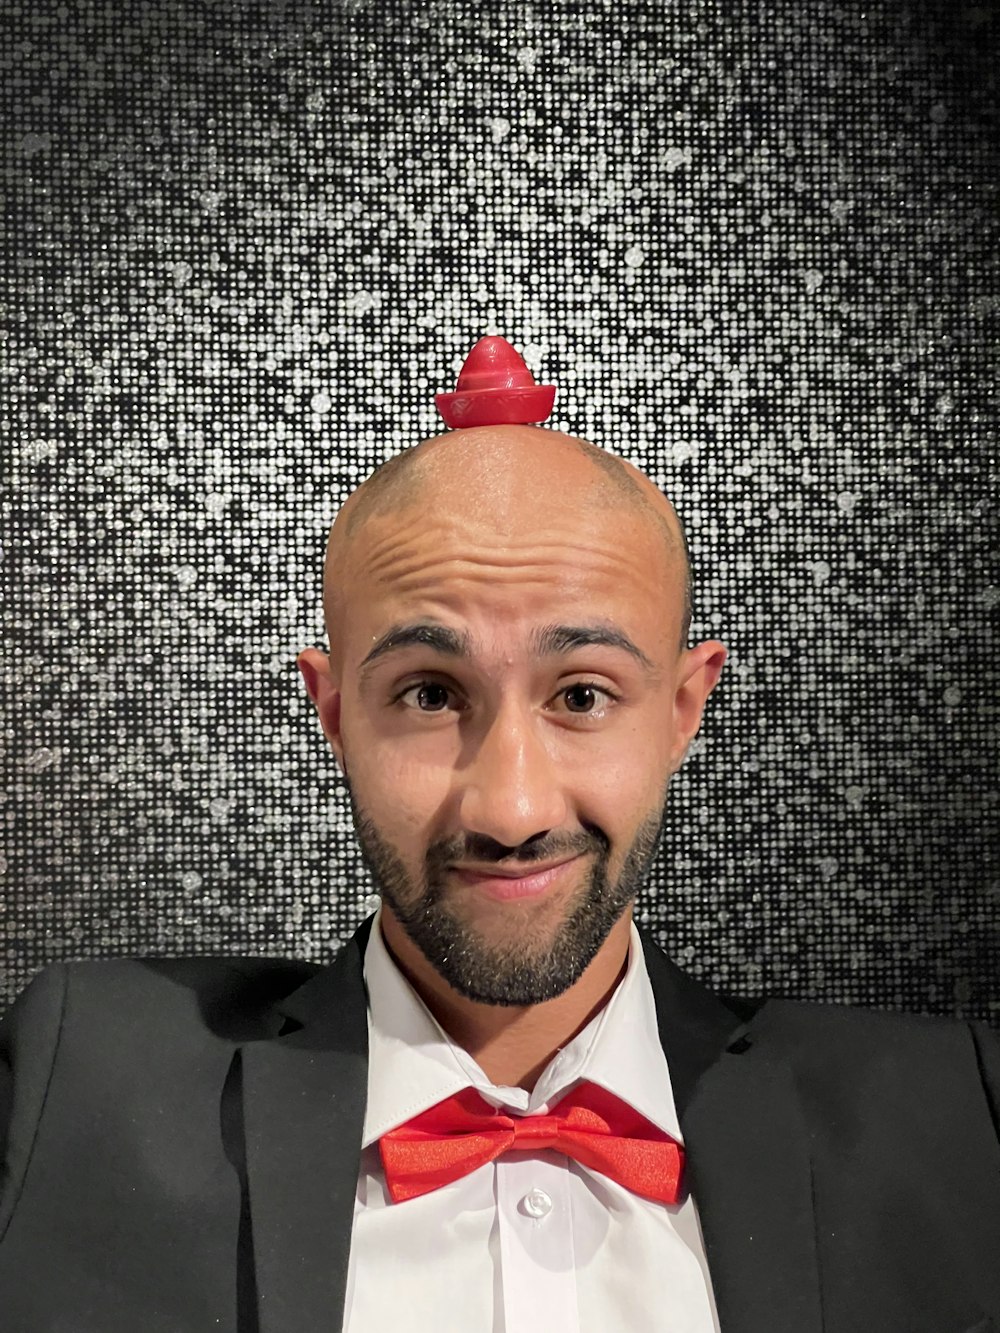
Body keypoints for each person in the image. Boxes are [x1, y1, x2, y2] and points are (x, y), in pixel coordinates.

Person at [0, 338, 998, 1333]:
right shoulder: (78, 1076)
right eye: (431, 694)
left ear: (683, 711)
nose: (510, 809)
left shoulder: (952, 1116)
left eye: (581, 694)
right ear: (336, 714)